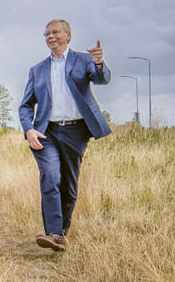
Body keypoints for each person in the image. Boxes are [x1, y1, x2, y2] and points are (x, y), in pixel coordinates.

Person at [18, 19, 111, 252]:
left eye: (55, 32)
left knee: (69, 185)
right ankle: (53, 232)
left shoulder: (83, 60)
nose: (50, 36)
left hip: (76, 131)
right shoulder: (37, 70)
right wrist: (28, 128)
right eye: (46, 34)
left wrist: (99, 63)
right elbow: (25, 106)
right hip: (45, 132)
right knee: (50, 176)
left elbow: (100, 78)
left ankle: (61, 234)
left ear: (68, 35)